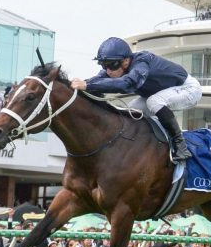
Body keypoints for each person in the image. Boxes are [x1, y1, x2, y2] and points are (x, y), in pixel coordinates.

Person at [70, 37, 202, 162]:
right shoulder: (115, 67)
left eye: (111, 65)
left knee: (154, 102)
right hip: (160, 94)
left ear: (126, 61)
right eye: (104, 65)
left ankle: (180, 145)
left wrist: (87, 85)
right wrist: (75, 85)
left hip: (189, 89)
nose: (108, 71)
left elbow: (127, 84)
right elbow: (95, 81)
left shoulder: (141, 62)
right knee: (131, 110)